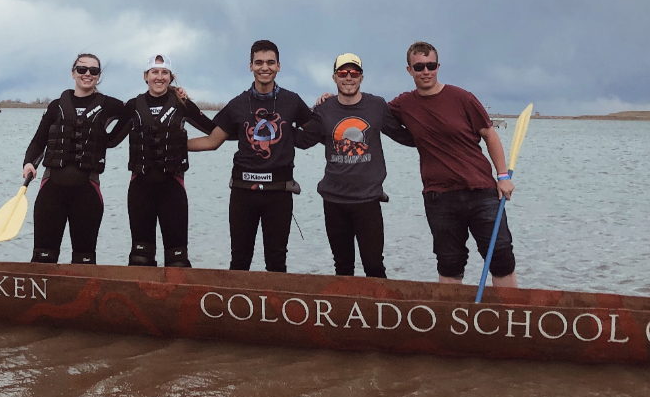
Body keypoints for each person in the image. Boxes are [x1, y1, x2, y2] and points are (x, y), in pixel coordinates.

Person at [388, 41, 519, 287]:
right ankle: (452, 321)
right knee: (449, 263)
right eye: (419, 67)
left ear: (438, 66)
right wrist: (331, 99)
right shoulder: (403, 104)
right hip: (440, 198)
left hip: (481, 193)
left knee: (501, 257)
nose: (425, 71)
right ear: (409, 70)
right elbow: (372, 114)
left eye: (431, 65)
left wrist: (503, 177)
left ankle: (508, 317)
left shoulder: (462, 98)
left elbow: (490, 134)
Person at [187, 40, 313, 272]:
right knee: (240, 259)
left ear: (278, 66)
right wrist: (176, 144)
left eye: (270, 62)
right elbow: (212, 141)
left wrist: (326, 104)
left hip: (279, 193)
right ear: (251, 66)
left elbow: (316, 130)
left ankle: (274, 308)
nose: (265, 67)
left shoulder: (292, 101)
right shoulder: (237, 104)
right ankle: (236, 307)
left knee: (276, 261)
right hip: (243, 192)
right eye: (259, 62)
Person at [295, 53, 415, 278]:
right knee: (342, 268)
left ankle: (379, 312)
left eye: (354, 73)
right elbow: (303, 141)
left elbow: (403, 136)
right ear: (334, 77)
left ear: (361, 77)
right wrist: (275, 126)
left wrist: (437, 138)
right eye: (342, 73)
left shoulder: (377, 105)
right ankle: (345, 313)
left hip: (368, 201)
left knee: (374, 266)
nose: (348, 77)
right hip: (334, 200)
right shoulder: (324, 108)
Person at [108, 54, 216, 267]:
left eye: (164, 72)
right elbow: (110, 141)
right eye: (154, 72)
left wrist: (180, 143)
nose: (159, 77)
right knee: (140, 259)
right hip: (140, 189)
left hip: (172, 189)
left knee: (177, 260)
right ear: (145, 76)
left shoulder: (182, 104)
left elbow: (215, 132)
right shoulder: (133, 106)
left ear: (170, 77)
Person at [22, 54, 124, 264]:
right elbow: (38, 142)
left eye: (93, 71)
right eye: (82, 69)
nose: (87, 74)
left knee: (84, 260)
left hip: (87, 192)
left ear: (99, 76)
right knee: (43, 258)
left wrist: (173, 91)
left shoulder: (110, 105)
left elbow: (142, 107)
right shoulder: (56, 106)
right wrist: (29, 163)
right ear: (73, 72)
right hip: (52, 191)